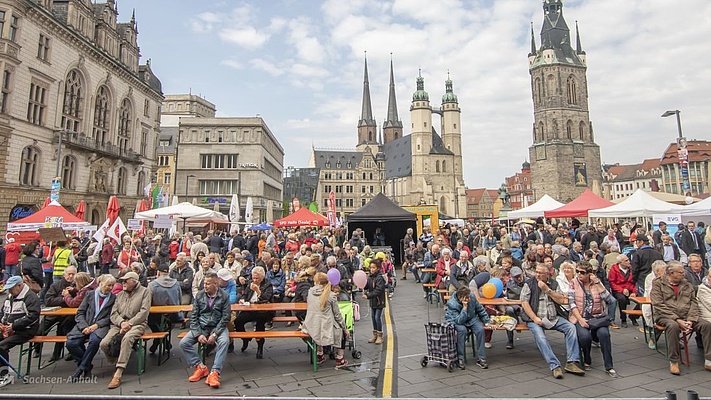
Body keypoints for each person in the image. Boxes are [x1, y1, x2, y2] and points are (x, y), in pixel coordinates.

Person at [520, 263, 585, 378]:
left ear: (547, 274)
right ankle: (554, 365)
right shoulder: (529, 284)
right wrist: (534, 318)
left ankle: (572, 362)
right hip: (535, 318)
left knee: (571, 328)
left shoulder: (554, 283)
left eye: (541, 273)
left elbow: (561, 300)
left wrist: (547, 290)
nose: (538, 275)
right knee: (541, 337)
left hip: (553, 317)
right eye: (537, 272)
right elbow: (524, 302)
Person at [650, 261, 711, 375]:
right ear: (671, 273)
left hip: (686, 316)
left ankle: (709, 359)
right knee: (673, 326)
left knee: (706, 325)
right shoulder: (658, 283)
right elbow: (658, 304)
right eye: (681, 272)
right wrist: (677, 319)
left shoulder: (686, 284)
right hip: (665, 315)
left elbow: (694, 302)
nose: (684, 274)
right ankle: (674, 361)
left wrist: (690, 320)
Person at [100, 271, 151, 389]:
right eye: (122, 281)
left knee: (127, 339)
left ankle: (119, 372)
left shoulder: (145, 292)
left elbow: (144, 312)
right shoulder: (120, 294)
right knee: (103, 344)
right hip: (119, 324)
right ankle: (117, 359)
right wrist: (122, 322)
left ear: (133, 281)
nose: (122, 283)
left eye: (125, 281)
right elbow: (113, 313)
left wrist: (130, 323)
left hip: (137, 324)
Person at [180, 271, 231, 389]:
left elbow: (225, 318)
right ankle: (200, 367)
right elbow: (194, 316)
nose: (205, 285)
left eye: (208, 284)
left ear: (215, 284)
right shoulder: (199, 295)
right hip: (202, 326)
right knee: (184, 342)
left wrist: (215, 333)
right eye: (204, 283)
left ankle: (215, 372)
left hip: (217, 326)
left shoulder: (224, 296)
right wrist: (198, 334)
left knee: (224, 341)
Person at [568, 261, 618, 377]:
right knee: (585, 337)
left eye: (582, 272)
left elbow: (610, 300)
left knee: (604, 334)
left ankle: (609, 366)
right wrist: (580, 319)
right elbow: (572, 303)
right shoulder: (573, 283)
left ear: (590, 274)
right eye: (577, 271)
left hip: (597, 318)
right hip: (580, 316)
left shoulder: (596, 283)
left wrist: (598, 283)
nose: (579, 274)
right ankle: (586, 358)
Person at [66, 274, 116, 381]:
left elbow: (111, 316)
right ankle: (87, 366)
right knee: (71, 343)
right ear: (100, 284)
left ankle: (81, 369)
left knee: (94, 341)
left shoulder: (113, 298)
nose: (110, 288)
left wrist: (97, 325)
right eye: (108, 285)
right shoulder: (90, 294)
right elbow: (80, 313)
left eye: (112, 286)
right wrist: (84, 326)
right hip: (85, 324)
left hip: (100, 326)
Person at [303, 272, 350, 367]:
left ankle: (320, 355)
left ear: (316, 282)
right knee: (342, 332)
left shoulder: (310, 292)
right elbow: (337, 315)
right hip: (326, 326)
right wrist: (345, 328)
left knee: (319, 328)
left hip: (311, 325)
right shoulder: (331, 296)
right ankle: (339, 359)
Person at [0, 276, 40, 386]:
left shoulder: (31, 297)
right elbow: (2, 312)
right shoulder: (10, 296)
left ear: (20, 285)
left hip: (26, 330)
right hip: (8, 328)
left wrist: (14, 326)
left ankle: (4, 375)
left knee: (2, 346)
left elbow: (33, 316)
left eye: (11, 288)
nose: (9, 291)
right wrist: (1, 322)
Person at [445, 286, 491, 370]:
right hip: (457, 320)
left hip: (471, 319)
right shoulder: (452, 304)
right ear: (460, 298)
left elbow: (480, 309)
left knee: (480, 330)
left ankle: (481, 358)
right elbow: (459, 321)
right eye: (466, 298)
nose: (469, 299)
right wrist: (464, 309)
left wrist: (486, 321)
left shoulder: (472, 297)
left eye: (469, 296)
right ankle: (460, 358)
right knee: (462, 331)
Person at [234, 266, 273, 359]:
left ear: (262, 278)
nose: (254, 280)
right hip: (250, 309)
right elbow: (245, 295)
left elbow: (267, 298)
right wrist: (242, 299)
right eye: (253, 278)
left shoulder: (267, 284)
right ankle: (245, 339)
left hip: (263, 311)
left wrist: (258, 291)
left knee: (260, 324)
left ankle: (260, 348)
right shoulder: (250, 284)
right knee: (238, 321)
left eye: (257, 278)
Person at [43, 265, 78, 361]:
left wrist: (69, 297)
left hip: (70, 315)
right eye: (68, 274)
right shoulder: (56, 285)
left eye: (73, 274)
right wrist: (64, 299)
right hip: (54, 313)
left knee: (64, 328)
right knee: (40, 330)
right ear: (64, 275)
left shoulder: (78, 286)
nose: (70, 276)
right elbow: (48, 301)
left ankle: (64, 353)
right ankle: (37, 348)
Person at [147, 263, 182, 354]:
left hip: (156, 316)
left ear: (158, 272)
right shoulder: (176, 284)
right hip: (173, 315)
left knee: (148, 319)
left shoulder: (152, 285)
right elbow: (180, 299)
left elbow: (148, 301)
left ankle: (158, 340)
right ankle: (164, 341)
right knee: (166, 323)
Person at [608, 254, 639, 328]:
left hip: (630, 288)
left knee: (642, 299)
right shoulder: (614, 269)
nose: (629, 262)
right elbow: (612, 283)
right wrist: (622, 290)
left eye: (628, 260)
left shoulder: (632, 269)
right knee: (622, 299)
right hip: (618, 289)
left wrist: (634, 292)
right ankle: (623, 319)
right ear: (620, 262)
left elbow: (634, 282)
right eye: (626, 261)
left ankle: (633, 316)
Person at [363, 258, 386, 345]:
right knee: (373, 317)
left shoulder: (379, 278)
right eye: (371, 267)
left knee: (377, 317)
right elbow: (367, 286)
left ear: (378, 268)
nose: (372, 269)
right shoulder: (370, 277)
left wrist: (368, 295)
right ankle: (375, 334)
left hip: (379, 301)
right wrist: (363, 285)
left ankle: (380, 335)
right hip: (373, 301)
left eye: (374, 268)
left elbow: (378, 290)